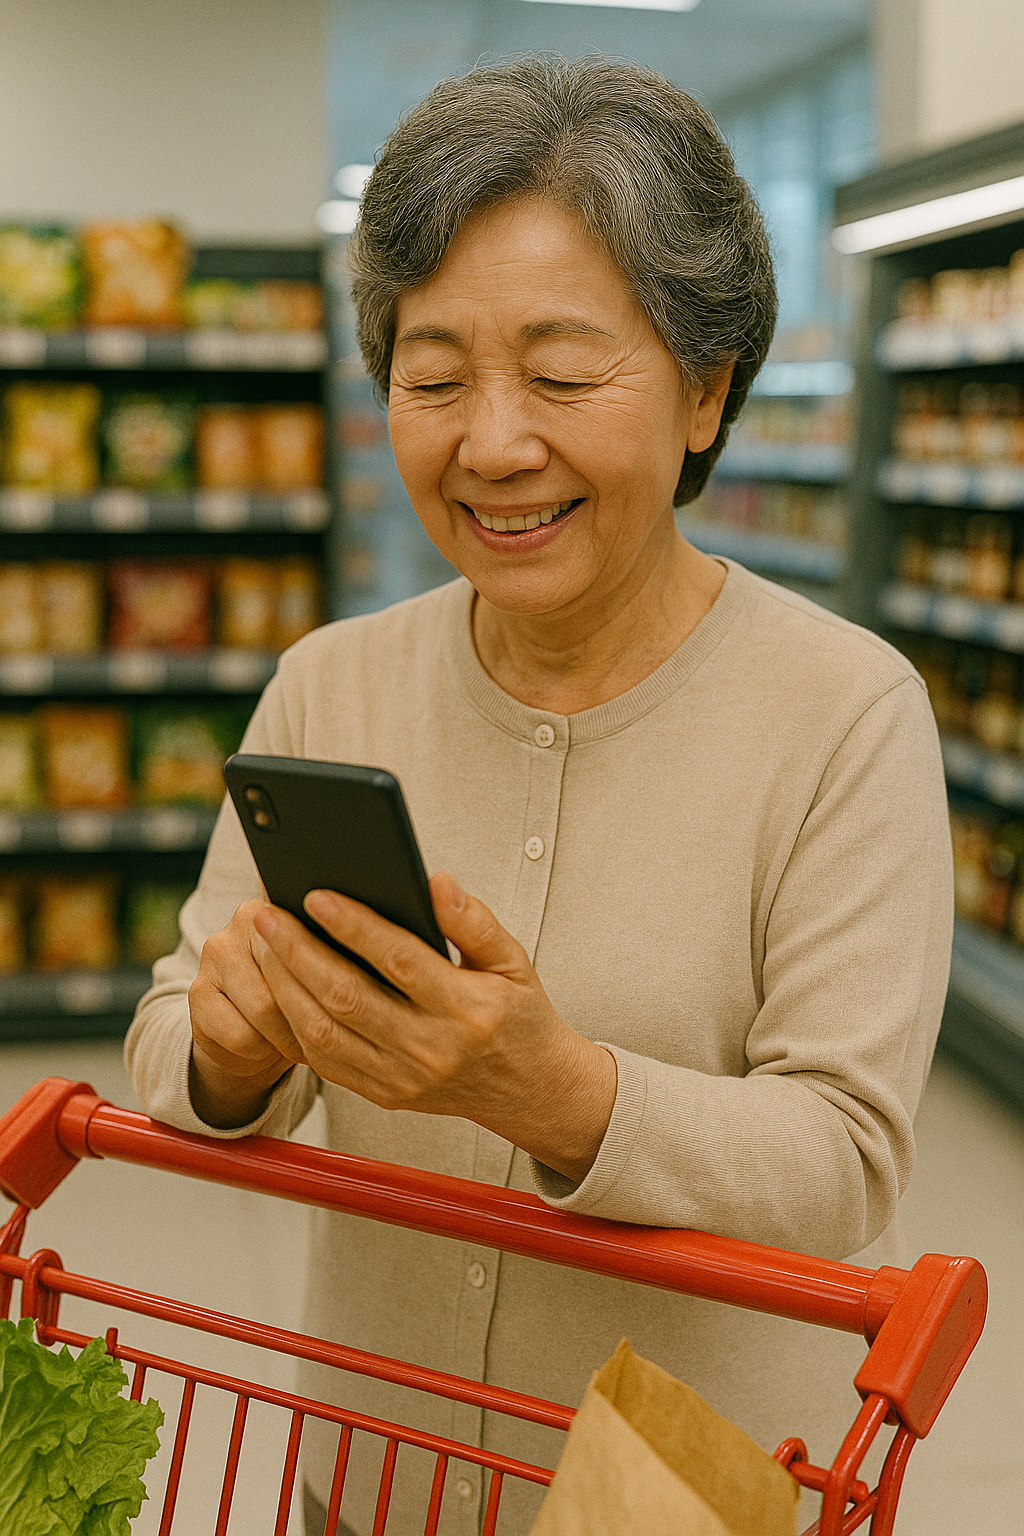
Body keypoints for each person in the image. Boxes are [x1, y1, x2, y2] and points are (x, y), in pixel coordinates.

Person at [125, 55, 952, 1536]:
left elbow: (845, 1157)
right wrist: (236, 1052)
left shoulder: (846, 715)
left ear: (706, 389)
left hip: (681, 1500)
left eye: (564, 377)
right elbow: (173, 1034)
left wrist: (557, 1092)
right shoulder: (333, 680)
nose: (492, 444)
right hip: (364, 1480)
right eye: (433, 378)